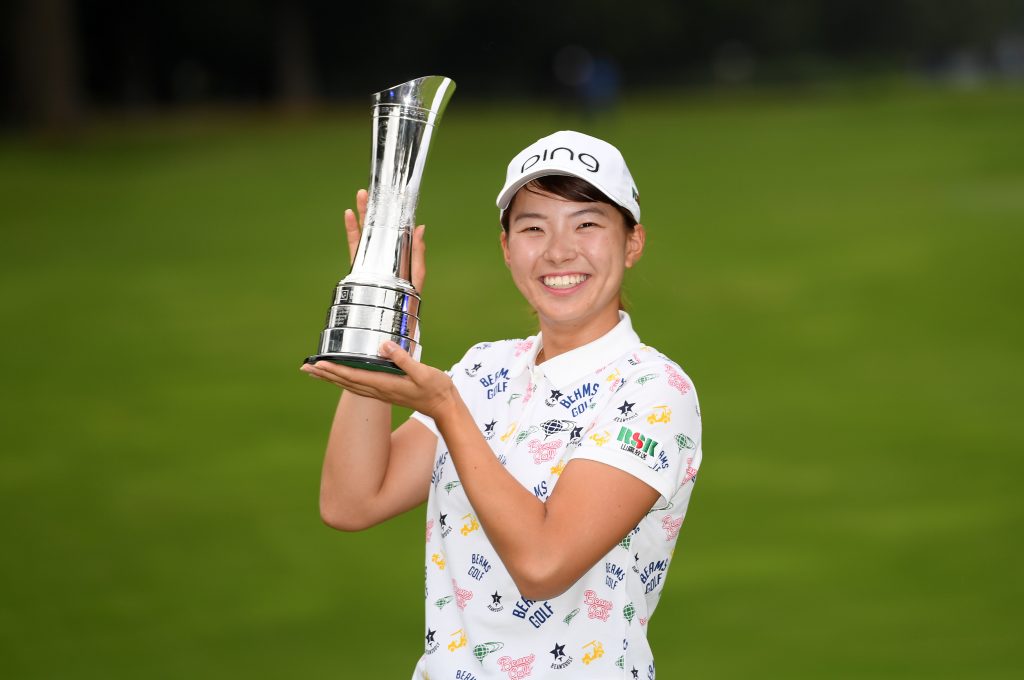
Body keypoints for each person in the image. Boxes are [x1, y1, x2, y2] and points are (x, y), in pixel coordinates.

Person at [301, 130, 703, 679]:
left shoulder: (654, 390)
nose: (559, 250)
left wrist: (446, 407)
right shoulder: (483, 369)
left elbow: (543, 564)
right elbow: (351, 502)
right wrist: (382, 320)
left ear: (632, 243)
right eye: (533, 227)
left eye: (586, 224)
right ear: (506, 248)